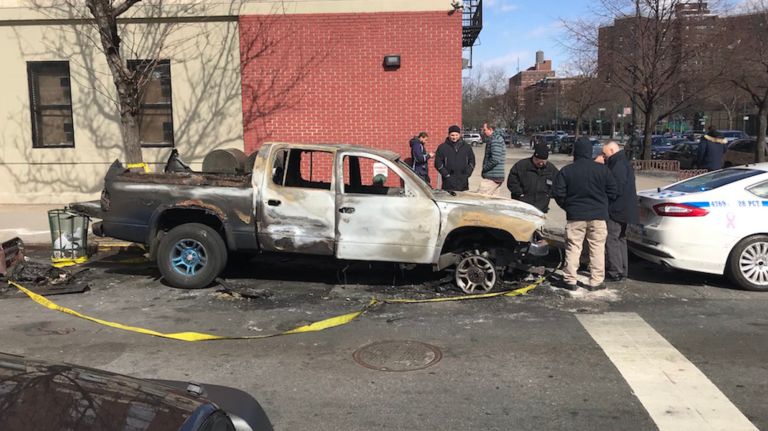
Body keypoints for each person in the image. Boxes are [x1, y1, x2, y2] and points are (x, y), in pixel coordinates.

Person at [552, 137, 618, 290]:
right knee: (597, 248)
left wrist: (568, 206)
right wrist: (603, 206)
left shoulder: (567, 171)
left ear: (575, 152)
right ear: (590, 152)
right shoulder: (603, 170)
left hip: (575, 216)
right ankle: (596, 281)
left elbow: (558, 193)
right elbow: (613, 192)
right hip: (598, 216)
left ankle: (570, 280)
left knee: (573, 247)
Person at [601, 141, 639, 282]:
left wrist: (607, 200)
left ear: (612, 150)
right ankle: (622, 268)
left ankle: (615, 270)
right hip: (625, 209)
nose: (604, 157)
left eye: (605, 154)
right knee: (620, 238)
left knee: (612, 239)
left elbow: (615, 188)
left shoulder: (617, 164)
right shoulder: (622, 161)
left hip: (617, 209)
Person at [506, 143, 559, 213]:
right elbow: (512, 181)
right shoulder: (521, 165)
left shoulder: (551, 169)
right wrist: (520, 193)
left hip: (541, 207)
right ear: (534, 157)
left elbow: (558, 184)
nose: (540, 163)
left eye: (543, 161)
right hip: (522, 205)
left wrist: (549, 194)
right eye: (538, 161)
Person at [435, 125, 475, 192]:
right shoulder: (442, 147)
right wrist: (446, 175)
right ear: (449, 135)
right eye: (452, 135)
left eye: (456, 135)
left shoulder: (467, 147)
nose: (454, 137)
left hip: (463, 181)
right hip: (448, 182)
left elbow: (472, 161)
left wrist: (467, 174)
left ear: (459, 135)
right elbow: (438, 163)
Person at [476, 122, 507, 196]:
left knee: (480, 199)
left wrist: (485, 168)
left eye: (484, 130)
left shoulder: (495, 140)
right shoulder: (496, 138)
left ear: (490, 129)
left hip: (492, 176)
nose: (483, 132)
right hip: (495, 176)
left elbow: (495, 159)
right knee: (492, 203)